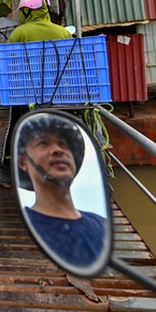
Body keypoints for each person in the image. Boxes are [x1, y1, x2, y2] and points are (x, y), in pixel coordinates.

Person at [0, 0, 72, 188]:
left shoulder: (19, 33)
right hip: (56, 95)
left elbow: (10, 63)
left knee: (15, 129)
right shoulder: (62, 32)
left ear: (29, 11)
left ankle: (7, 174)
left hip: (24, 93)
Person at [16, 113, 107, 266]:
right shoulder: (26, 230)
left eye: (63, 144)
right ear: (23, 162)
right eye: (43, 143)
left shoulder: (102, 224)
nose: (58, 150)